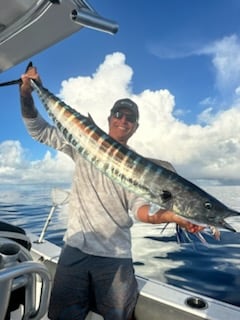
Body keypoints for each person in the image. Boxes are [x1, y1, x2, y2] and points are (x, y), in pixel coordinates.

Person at [20, 66, 204, 320]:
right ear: (109, 118)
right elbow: (37, 128)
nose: (123, 121)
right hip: (75, 249)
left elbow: (142, 210)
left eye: (130, 118)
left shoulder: (144, 170)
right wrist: (27, 93)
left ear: (135, 127)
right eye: (119, 114)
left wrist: (171, 217)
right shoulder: (81, 144)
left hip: (114, 257)